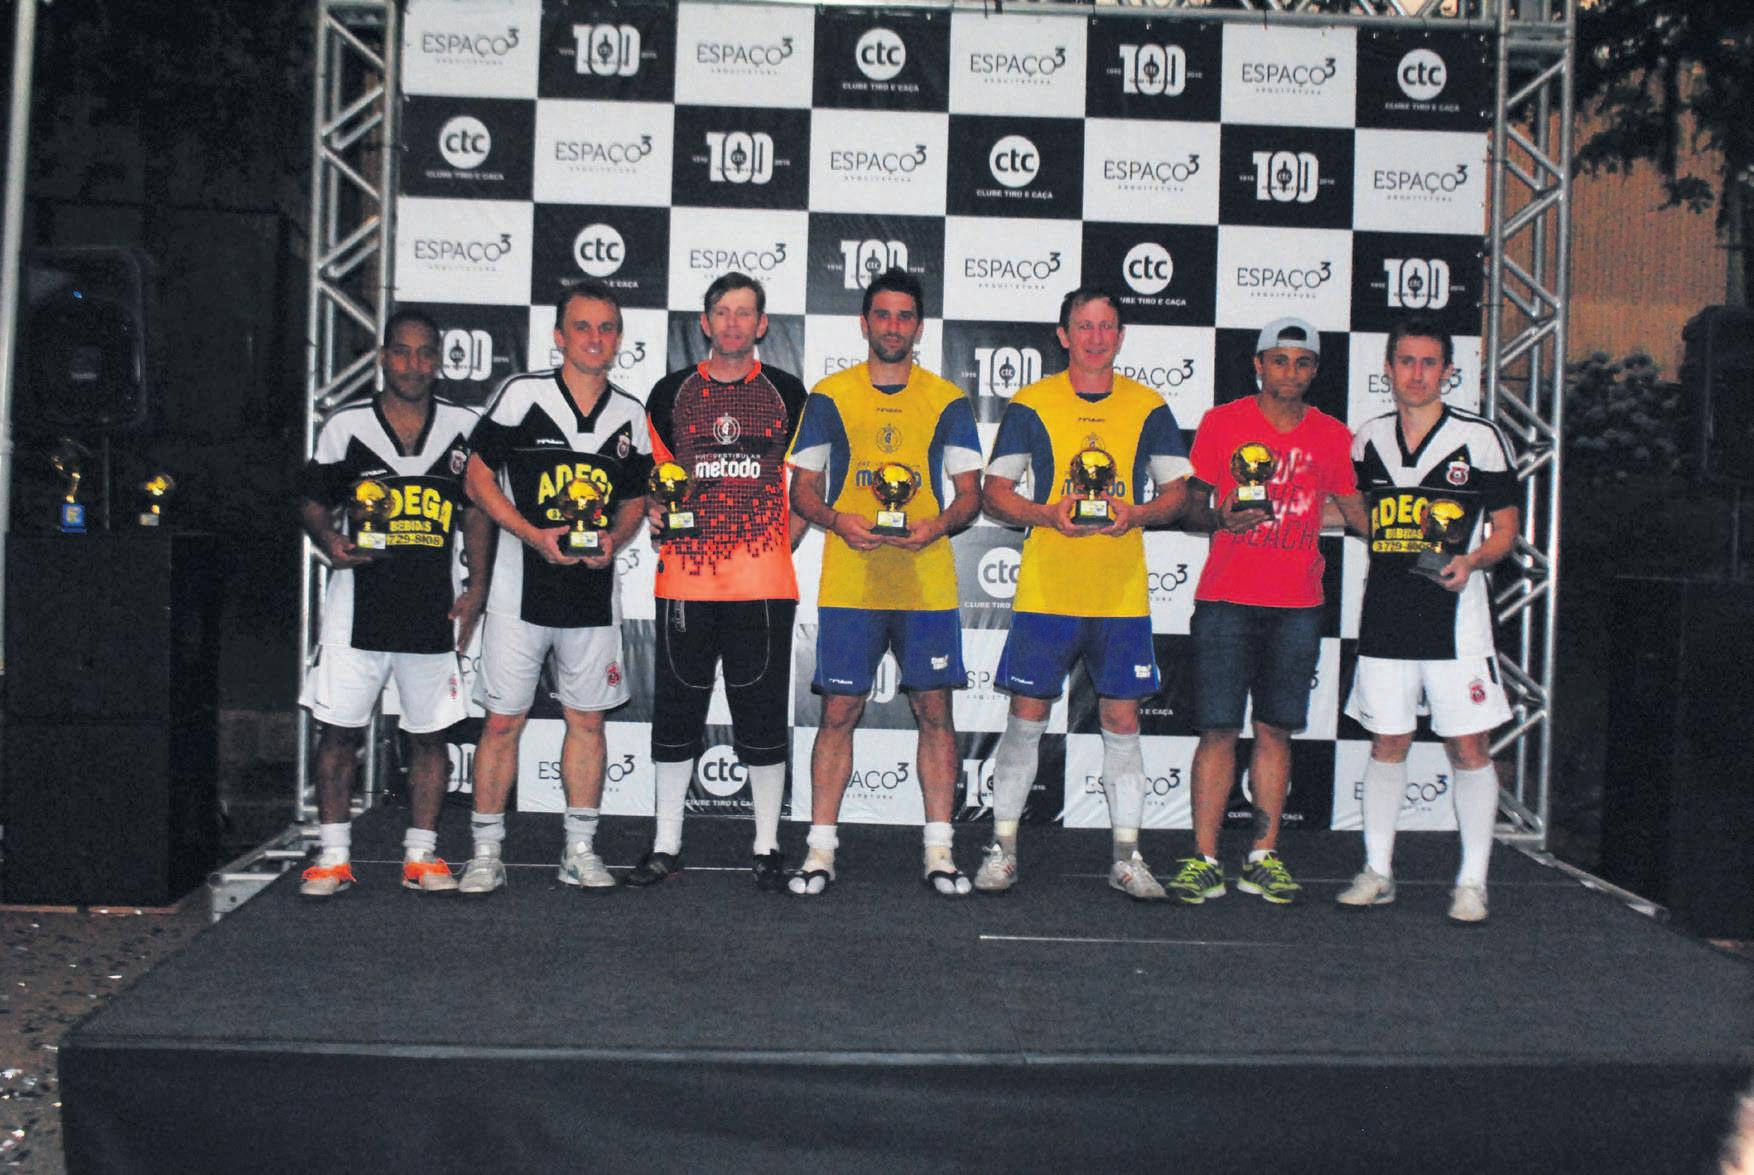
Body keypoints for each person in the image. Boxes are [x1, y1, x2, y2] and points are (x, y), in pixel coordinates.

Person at [974, 287, 1192, 900]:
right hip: (1048, 591)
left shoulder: (1148, 406)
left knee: (1122, 720)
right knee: (1027, 717)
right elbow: (994, 493)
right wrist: (1046, 514)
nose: (1096, 338)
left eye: (1106, 327)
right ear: (1064, 335)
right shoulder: (1032, 403)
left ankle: (1127, 857)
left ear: (1120, 337)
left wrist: (1137, 514)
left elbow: (1178, 494)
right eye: (1084, 326)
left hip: (1118, 595)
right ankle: (1003, 848)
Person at [785, 268, 983, 896]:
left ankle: (940, 852)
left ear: (918, 327)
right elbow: (803, 491)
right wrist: (835, 519)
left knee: (935, 711)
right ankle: (820, 851)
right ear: (864, 323)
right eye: (883, 315)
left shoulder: (947, 399)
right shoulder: (830, 395)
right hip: (852, 581)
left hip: (926, 581)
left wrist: (939, 525)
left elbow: (970, 496)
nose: (893, 326)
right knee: (838, 711)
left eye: (905, 316)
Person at [454, 280, 652, 894]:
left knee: (587, 723)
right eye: (583, 327)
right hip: (519, 588)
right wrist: (531, 534)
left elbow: (636, 499)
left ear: (618, 338)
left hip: (592, 595)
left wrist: (616, 539)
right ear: (559, 336)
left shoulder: (630, 414)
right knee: (501, 724)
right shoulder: (523, 394)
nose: (596, 338)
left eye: (607, 327)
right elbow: (477, 480)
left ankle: (580, 849)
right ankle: (485, 852)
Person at [1172, 317, 1367, 906]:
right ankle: (1204, 860)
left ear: (1315, 371)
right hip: (1226, 599)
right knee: (1217, 730)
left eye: (1302, 362)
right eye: (1279, 360)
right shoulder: (1222, 422)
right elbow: (1190, 508)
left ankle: (1262, 857)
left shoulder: (1333, 435)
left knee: (1275, 730)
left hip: (1298, 605)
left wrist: (1425, 540)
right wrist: (1220, 518)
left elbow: (1358, 514)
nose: (1290, 371)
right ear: (1258, 365)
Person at [624, 272, 809, 891]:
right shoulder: (669, 392)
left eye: (744, 313)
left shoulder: (787, 392)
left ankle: (766, 845)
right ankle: (665, 844)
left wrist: (780, 543)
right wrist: (656, 514)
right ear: (705, 323)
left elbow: (810, 486)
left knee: (762, 716)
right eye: (722, 312)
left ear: (762, 325)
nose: (732, 323)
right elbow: (656, 483)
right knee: (677, 715)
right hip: (686, 583)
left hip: (763, 587)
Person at [297, 308, 490, 898]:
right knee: (338, 731)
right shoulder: (346, 424)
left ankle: (421, 856)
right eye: (402, 352)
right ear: (383, 358)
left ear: (439, 361)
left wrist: (477, 588)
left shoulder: (464, 426)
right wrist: (328, 538)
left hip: (432, 604)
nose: (413, 364)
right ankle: (333, 857)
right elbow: (312, 500)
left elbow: (477, 512)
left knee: (430, 736)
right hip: (358, 602)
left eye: (425, 353)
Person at [1336, 316, 1517, 924]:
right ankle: (1378, 871)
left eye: (1429, 363)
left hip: (1456, 620)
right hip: (1387, 616)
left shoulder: (1480, 438)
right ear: (1388, 368)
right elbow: (1356, 512)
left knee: (1468, 747)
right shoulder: (1367, 439)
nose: (1417, 374)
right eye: (1406, 361)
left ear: (1448, 371)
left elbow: (1506, 530)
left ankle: (1472, 882)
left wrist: (1473, 560)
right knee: (1388, 742)